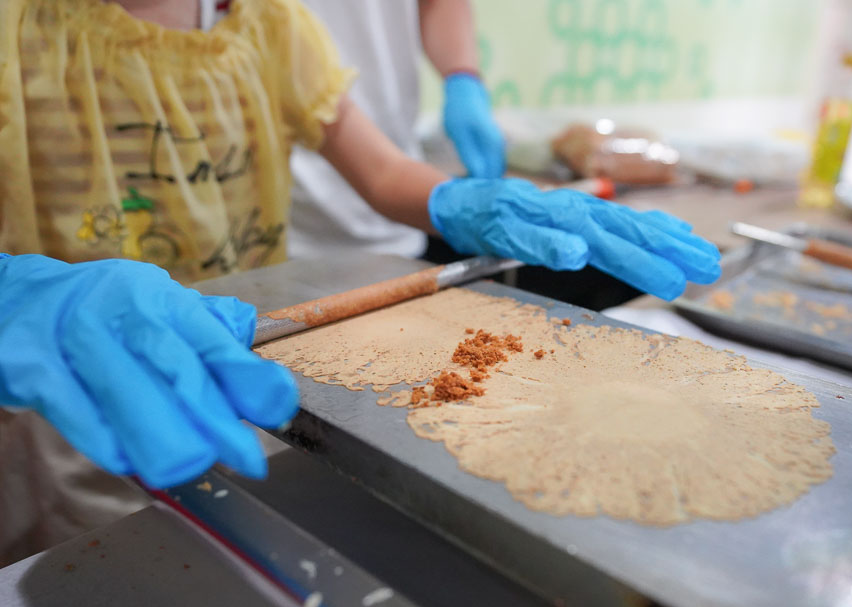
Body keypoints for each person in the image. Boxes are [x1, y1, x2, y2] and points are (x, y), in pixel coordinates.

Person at [0, 0, 720, 563]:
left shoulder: (272, 25)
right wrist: (25, 294)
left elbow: (378, 169)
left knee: (240, 549)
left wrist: (456, 199)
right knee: (123, 562)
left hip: (252, 359)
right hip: (82, 387)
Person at [289, 0, 505, 261]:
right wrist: (450, 202)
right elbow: (379, 174)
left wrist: (461, 76)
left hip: (398, 215)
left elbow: (437, 4)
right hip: (287, 226)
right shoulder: (277, 32)